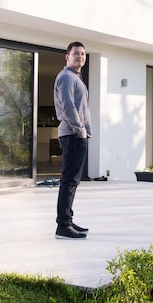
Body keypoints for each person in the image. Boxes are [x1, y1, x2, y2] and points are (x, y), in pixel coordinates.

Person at [53, 42, 92, 239]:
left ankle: (67, 220)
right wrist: (80, 130)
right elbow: (68, 107)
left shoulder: (75, 77)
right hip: (73, 134)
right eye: (76, 53)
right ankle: (63, 226)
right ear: (67, 57)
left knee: (72, 182)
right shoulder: (67, 77)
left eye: (83, 54)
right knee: (69, 181)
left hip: (75, 134)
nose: (80, 56)